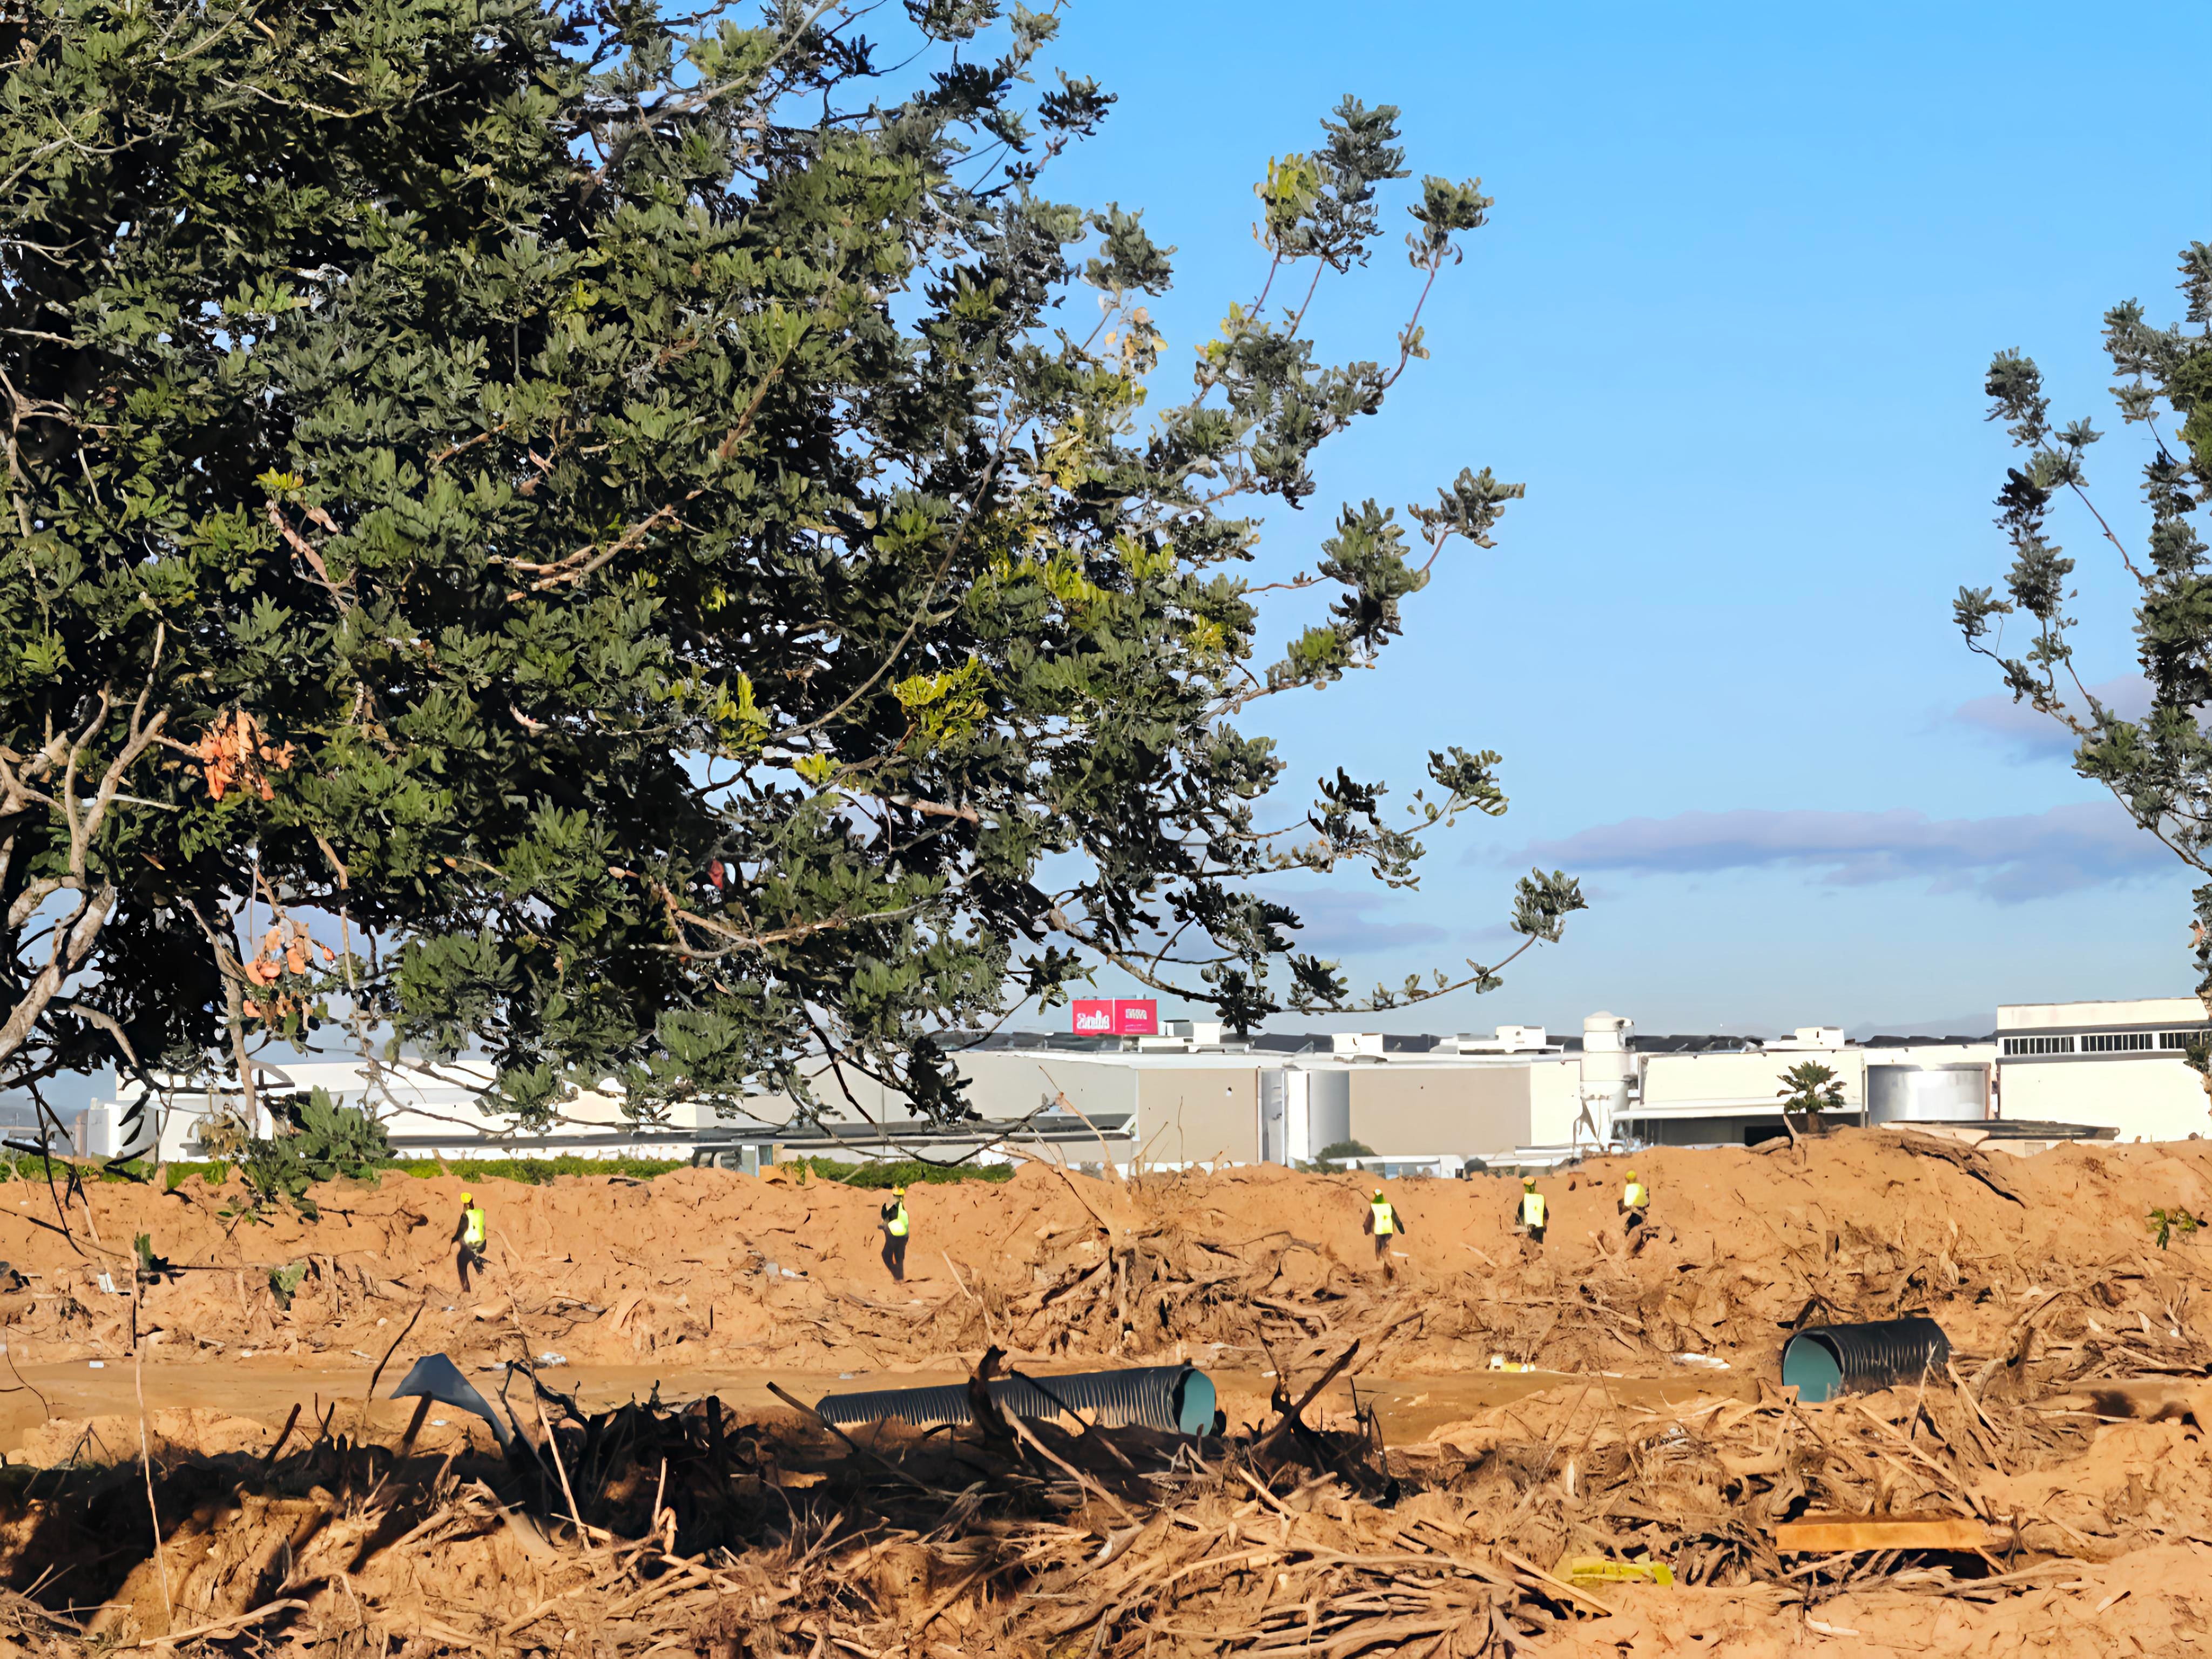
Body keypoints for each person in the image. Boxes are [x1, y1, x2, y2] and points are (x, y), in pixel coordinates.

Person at [455, 1189, 488, 1291]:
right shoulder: (480, 1213)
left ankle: (466, 1288)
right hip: (482, 1244)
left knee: (460, 1260)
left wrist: (453, 1239)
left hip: (470, 1244)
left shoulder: (465, 1216)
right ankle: (478, 1266)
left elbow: (460, 1231)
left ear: (466, 1206)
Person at [1364, 1186, 1406, 1261]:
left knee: (1378, 1247)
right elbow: (1396, 1218)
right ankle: (1387, 1262)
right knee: (1386, 1247)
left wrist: (1366, 1230)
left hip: (1379, 1231)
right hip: (1388, 1230)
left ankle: (1379, 1261)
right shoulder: (1389, 1206)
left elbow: (1369, 1219)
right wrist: (1401, 1229)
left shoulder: (1374, 1207)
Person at [880, 1183, 910, 1282]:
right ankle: (900, 1278)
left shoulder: (893, 1206)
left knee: (886, 1255)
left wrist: (884, 1225)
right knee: (899, 1256)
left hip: (893, 1234)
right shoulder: (902, 1208)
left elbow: (887, 1219)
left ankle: (895, 1274)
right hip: (904, 1236)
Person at [1516, 1177, 1547, 1246]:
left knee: (1531, 1249)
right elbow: (1546, 1215)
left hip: (1531, 1230)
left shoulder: (1525, 1200)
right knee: (1537, 1248)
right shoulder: (1540, 1198)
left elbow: (1520, 1214)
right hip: (1537, 1229)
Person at [1620, 1168, 1649, 1236]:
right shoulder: (1640, 1187)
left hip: (1634, 1214)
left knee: (1626, 1229)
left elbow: (1628, 1204)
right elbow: (1646, 1202)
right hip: (1642, 1213)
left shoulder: (1629, 1188)